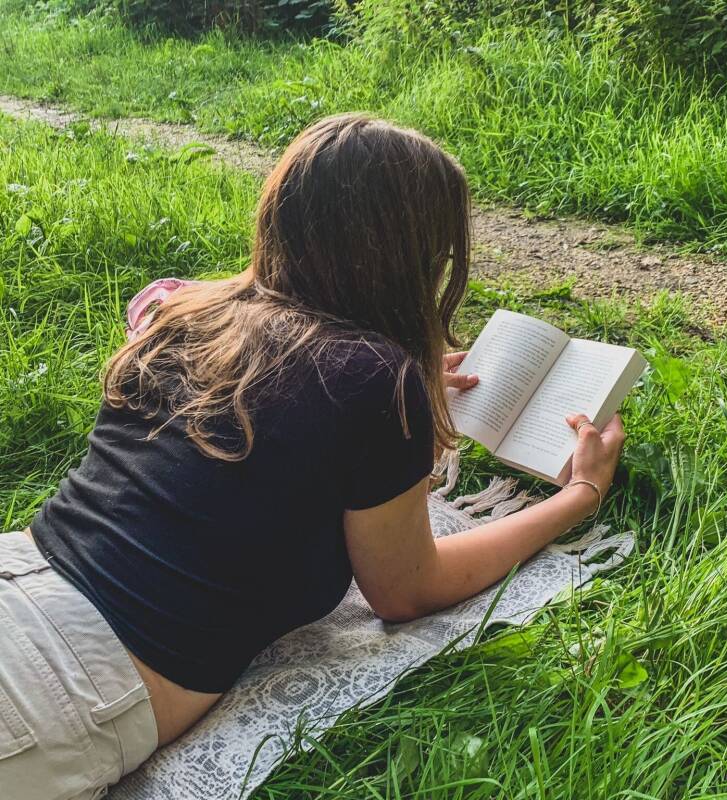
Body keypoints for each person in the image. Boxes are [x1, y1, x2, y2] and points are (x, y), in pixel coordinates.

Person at [0, 113, 625, 800]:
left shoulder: (188, 313)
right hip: (70, 686)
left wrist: (399, 392)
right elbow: (407, 591)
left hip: (23, 577)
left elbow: (274, 401)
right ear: (411, 258)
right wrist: (579, 498)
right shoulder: (369, 379)